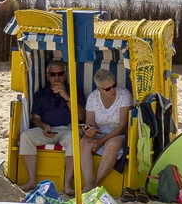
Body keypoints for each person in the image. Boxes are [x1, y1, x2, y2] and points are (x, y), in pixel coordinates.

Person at [17, 59, 84, 194]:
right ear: (48, 76)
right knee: (26, 136)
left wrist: (66, 96)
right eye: (53, 74)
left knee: (74, 138)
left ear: (65, 75)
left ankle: (67, 183)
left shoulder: (74, 90)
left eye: (60, 74)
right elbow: (36, 118)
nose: (57, 78)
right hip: (47, 130)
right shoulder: (41, 94)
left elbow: (81, 116)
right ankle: (31, 180)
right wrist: (44, 126)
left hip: (68, 129)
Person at [78, 68, 133, 193]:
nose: (112, 90)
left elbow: (122, 126)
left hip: (118, 133)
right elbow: (90, 122)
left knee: (112, 144)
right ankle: (88, 184)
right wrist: (90, 131)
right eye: (108, 89)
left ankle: (96, 184)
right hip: (100, 132)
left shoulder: (124, 95)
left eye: (114, 85)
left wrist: (101, 141)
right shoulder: (93, 97)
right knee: (84, 142)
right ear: (99, 89)